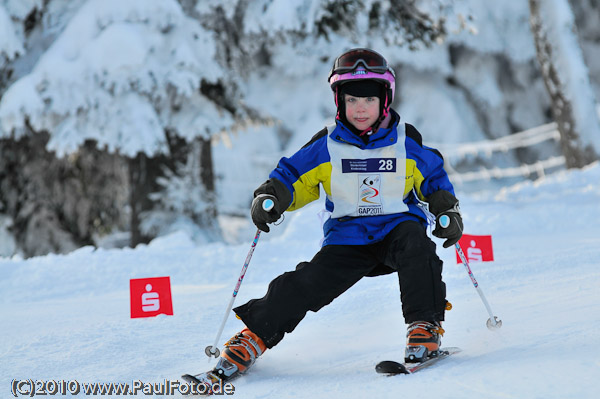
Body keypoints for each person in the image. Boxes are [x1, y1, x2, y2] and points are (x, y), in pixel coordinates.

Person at [211, 48, 463, 381]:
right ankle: (253, 338)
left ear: (384, 101)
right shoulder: (327, 146)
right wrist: (272, 197)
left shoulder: (405, 143)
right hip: (348, 239)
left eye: (369, 101)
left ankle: (424, 328)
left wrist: (446, 208)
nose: (361, 108)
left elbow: (432, 178)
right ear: (339, 101)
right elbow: (293, 176)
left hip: (397, 229)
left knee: (417, 245)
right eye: (352, 100)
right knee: (304, 283)